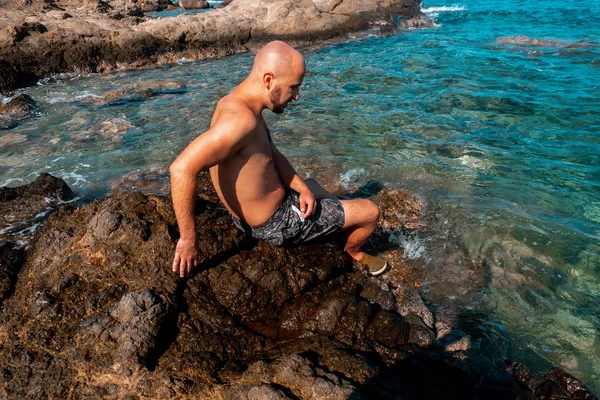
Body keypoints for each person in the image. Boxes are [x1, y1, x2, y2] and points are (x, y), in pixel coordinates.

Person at [170, 40, 389, 278]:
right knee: (370, 212)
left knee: (313, 186)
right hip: (277, 224)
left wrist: (301, 188)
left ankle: (329, 220)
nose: (296, 96)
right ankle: (351, 251)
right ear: (268, 80)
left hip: (253, 215)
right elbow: (181, 169)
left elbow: (270, 153)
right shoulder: (239, 122)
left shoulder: (237, 103)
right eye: (293, 87)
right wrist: (188, 238)